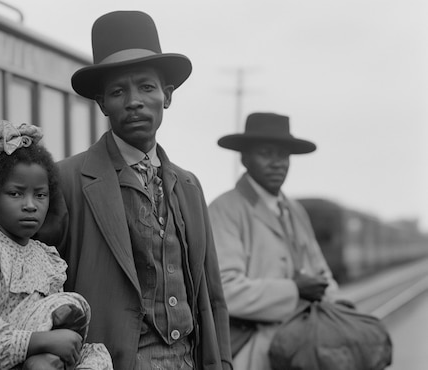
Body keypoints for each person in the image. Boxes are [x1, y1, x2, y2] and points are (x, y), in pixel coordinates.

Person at [36, 10, 232, 370]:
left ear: (167, 96)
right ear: (102, 104)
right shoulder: (67, 179)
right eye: (117, 91)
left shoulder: (189, 185)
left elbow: (212, 296)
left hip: (188, 359)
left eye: (146, 87)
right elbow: (36, 286)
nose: (133, 101)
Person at [0, 121, 112, 370]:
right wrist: (34, 342)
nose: (31, 205)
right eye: (15, 194)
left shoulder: (47, 259)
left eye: (40, 195)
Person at [207, 112, 342, 370]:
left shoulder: (295, 211)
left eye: (283, 155)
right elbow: (225, 290)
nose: (277, 163)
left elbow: (321, 274)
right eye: (266, 153)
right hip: (250, 351)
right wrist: (294, 290)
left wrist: (338, 303)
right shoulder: (224, 210)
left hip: (301, 348)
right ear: (245, 158)